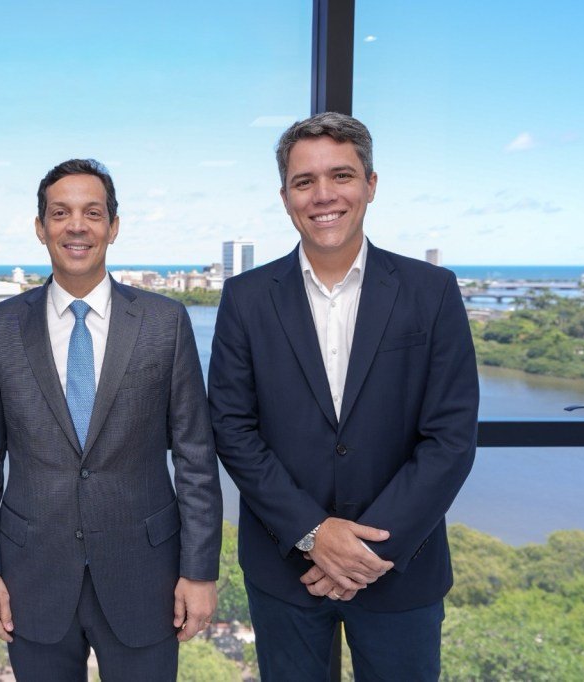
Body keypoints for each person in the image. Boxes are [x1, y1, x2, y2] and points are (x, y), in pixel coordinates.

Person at [208, 112, 479, 680]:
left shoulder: (432, 291)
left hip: (401, 569)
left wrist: (368, 552)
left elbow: (450, 437)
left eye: (342, 175)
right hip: (286, 571)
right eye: (304, 181)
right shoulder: (245, 297)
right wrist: (313, 533)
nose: (323, 195)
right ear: (285, 197)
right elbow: (232, 429)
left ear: (371, 185)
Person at [0, 159, 222, 681]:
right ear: (40, 228)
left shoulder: (165, 322)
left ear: (113, 226)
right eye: (60, 213)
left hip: (146, 576)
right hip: (31, 577)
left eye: (92, 213)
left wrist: (199, 572)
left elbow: (195, 457)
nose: (76, 226)